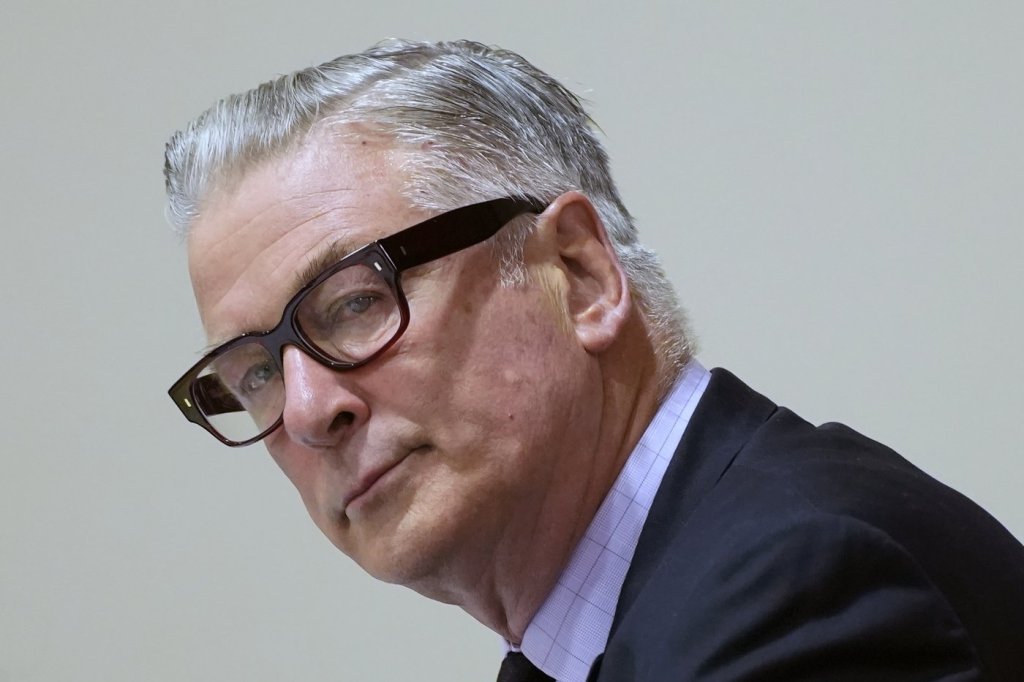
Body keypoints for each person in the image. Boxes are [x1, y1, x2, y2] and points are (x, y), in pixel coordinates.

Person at [164, 40, 1024, 681]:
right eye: (256, 373)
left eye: (355, 303)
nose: (310, 411)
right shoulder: (603, 635)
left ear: (578, 275)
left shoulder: (798, 593)